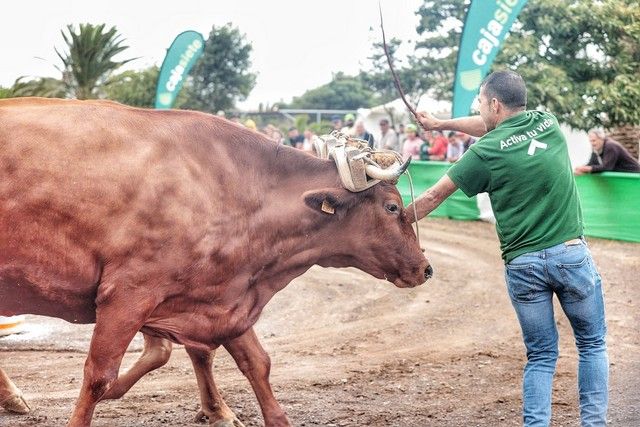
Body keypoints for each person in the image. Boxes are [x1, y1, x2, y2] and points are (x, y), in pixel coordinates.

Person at [410, 70, 608, 427]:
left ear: (494, 105)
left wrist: (392, 223)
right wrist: (441, 124)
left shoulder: (483, 153)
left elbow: (432, 196)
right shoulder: (547, 123)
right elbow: (487, 125)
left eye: (482, 103)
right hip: (570, 254)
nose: (480, 109)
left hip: (524, 265)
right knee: (592, 345)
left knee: (542, 356)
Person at [574, 128, 640, 174]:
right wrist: (581, 169)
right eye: (590, 141)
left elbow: (607, 167)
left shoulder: (610, 146)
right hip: (622, 177)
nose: (592, 143)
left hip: (634, 175)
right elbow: (591, 164)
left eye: (594, 140)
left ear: (601, 139)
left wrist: (587, 169)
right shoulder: (596, 149)